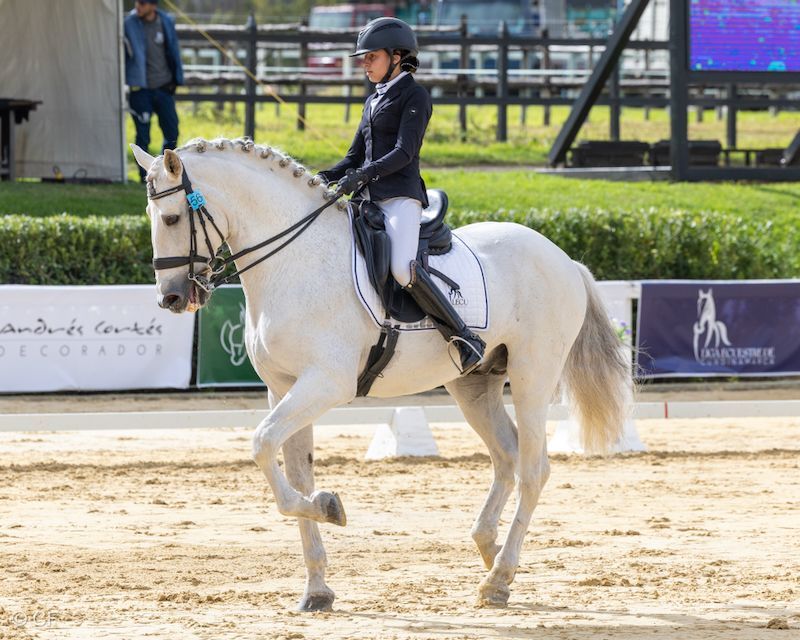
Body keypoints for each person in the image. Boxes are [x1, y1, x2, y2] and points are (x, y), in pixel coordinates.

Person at [317, 18, 485, 374]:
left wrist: (364, 174)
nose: (365, 64)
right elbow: (353, 155)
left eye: (372, 57)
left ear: (396, 57)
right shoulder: (373, 99)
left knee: (402, 268)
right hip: (367, 199)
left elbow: (404, 152)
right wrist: (323, 177)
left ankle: (462, 336)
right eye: (364, 58)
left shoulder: (414, 95)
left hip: (399, 198)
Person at [124, 0, 184, 182]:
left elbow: (174, 51)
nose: (138, 6)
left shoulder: (166, 21)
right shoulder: (128, 23)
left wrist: (176, 79)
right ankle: (145, 178)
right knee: (143, 136)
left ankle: (164, 172)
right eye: (137, 2)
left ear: (153, 5)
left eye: (142, 3)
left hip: (164, 88)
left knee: (172, 132)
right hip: (140, 90)